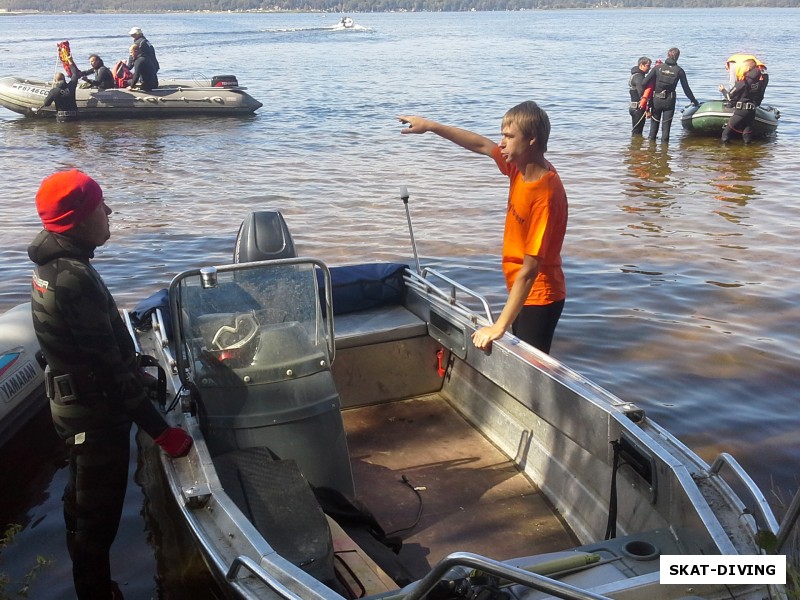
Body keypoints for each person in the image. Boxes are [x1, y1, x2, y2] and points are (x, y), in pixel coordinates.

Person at [28, 170, 193, 600]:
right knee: (95, 518)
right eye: (101, 205)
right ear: (78, 219)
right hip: (93, 414)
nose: (109, 211)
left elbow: (93, 349)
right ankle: (97, 592)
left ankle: (91, 581)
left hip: (76, 405)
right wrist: (163, 431)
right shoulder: (73, 277)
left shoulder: (58, 263)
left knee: (81, 505)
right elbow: (106, 370)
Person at [398, 101, 567, 354]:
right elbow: (480, 144)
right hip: (520, 289)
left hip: (539, 294)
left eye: (509, 136)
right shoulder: (518, 167)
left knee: (532, 370)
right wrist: (431, 126)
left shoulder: (545, 194)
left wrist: (498, 327)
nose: (501, 143)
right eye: (502, 135)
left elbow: (531, 270)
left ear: (531, 139)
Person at [642, 47, 699, 142]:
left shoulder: (657, 68)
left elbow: (644, 83)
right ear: (677, 57)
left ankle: (650, 153)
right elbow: (686, 89)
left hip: (656, 101)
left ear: (668, 55)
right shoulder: (679, 70)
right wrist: (694, 101)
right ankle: (665, 154)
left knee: (653, 130)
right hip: (669, 101)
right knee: (666, 130)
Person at [718, 58, 767, 144]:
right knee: (746, 136)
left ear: (747, 68)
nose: (742, 68)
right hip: (751, 112)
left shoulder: (744, 81)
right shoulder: (760, 82)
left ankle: (726, 154)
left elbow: (730, 96)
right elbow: (760, 96)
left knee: (725, 135)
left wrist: (723, 90)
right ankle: (748, 155)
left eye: (743, 66)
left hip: (741, 111)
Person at [628, 56, 652, 135]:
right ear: (641, 65)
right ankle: (635, 146)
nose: (649, 68)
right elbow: (642, 95)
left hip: (633, 107)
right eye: (648, 66)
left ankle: (635, 145)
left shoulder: (635, 75)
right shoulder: (639, 77)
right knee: (637, 133)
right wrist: (647, 110)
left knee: (636, 132)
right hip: (638, 109)